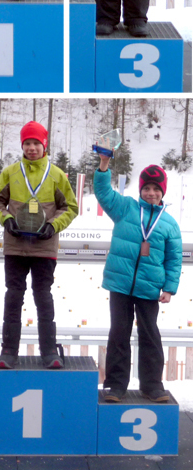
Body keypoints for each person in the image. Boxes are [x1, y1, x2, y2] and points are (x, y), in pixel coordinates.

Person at [0, 121, 78, 368]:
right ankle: (8, 351)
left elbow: (70, 207)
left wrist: (53, 226)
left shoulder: (57, 174)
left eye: (36, 143)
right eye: (27, 143)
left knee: (43, 296)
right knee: (14, 296)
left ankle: (49, 352)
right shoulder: (11, 172)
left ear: (44, 145)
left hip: (44, 247)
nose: (31, 148)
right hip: (16, 246)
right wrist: (6, 220)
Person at [94, 158, 181, 402]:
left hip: (149, 287)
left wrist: (170, 288)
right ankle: (115, 386)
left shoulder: (170, 223)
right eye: (146, 188)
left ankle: (152, 385)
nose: (151, 193)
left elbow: (174, 259)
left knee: (150, 335)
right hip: (120, 284)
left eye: (156, 189)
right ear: (140, 190)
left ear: (162, 192)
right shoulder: (125, 208)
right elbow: (102, 191)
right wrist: (103, 167)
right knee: (119, 333)